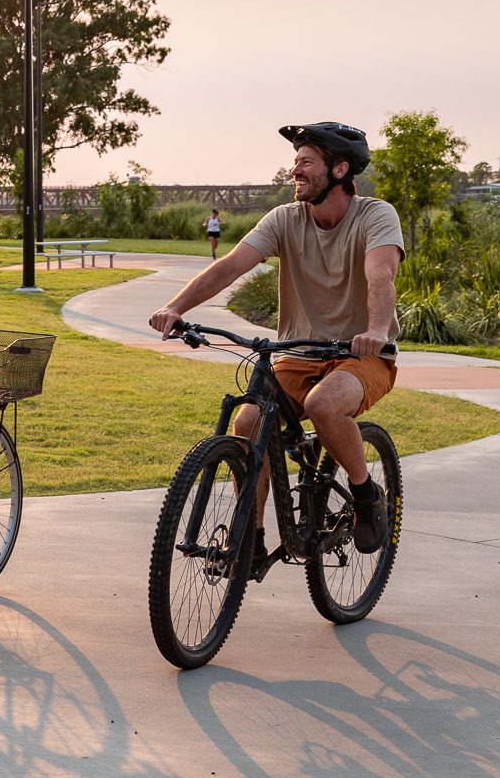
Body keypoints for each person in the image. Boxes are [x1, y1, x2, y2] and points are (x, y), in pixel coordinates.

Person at [148, 122, 403, 553]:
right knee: (247, 422)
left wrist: (376, 330)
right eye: (295, 162)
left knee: (325, 404)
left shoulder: (376, 215)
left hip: (362, 355)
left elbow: (381, 274)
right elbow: (230, 265)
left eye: (306, 162)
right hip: (298, 353)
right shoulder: (285, 218)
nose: (295, 171)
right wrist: (176, 308)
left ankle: (365, 496)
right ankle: (252, 533)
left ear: (340, 169)